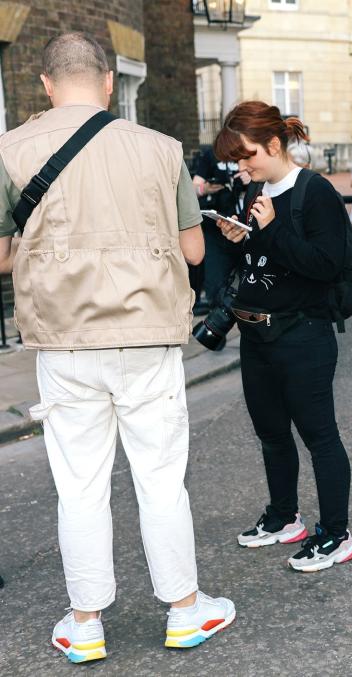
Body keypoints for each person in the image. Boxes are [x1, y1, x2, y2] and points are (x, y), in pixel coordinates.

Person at [0, 32, 234, 663]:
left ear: (46, 85)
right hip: (146, 336)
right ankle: (184, 611)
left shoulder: (9, 150)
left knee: (79, 487)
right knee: (160, 481)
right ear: (108, 83)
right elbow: (192, 251)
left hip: (64, 340)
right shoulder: (160, 150)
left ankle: (86, 624)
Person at [212, 101, 352, 573]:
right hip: (257, 334)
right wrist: (241, 237)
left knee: (319, 436)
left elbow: (324, 265)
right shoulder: (255, 189)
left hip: (304, 334)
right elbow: (264, 259)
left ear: (274, 145)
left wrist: (271, 229)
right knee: (271, 434)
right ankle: (284, 517)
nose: (243, 165)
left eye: (248, 154)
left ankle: (336, 534)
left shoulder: (314, 192)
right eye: (237, 158)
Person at [192, 146, 248, 309]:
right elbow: (193, 188)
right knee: (216, 286)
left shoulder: (249, 152)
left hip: (244, 226)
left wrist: (251, 179)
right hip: (215, 228)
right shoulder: (211, 155)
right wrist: (205, 189)